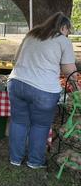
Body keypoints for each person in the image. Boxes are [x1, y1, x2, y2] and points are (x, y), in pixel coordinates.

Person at [8, 13, 76, 169]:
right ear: (63, 27)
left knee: (18, 121)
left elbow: (15, 58)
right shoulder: (63, 40)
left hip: (17, 82)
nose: (68, 33)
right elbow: (68, 69)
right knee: (40, 125)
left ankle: (15, 159)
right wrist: (76, 85)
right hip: (44, 89)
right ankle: (34, 161)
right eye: (68, 30)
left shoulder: (32, 34)